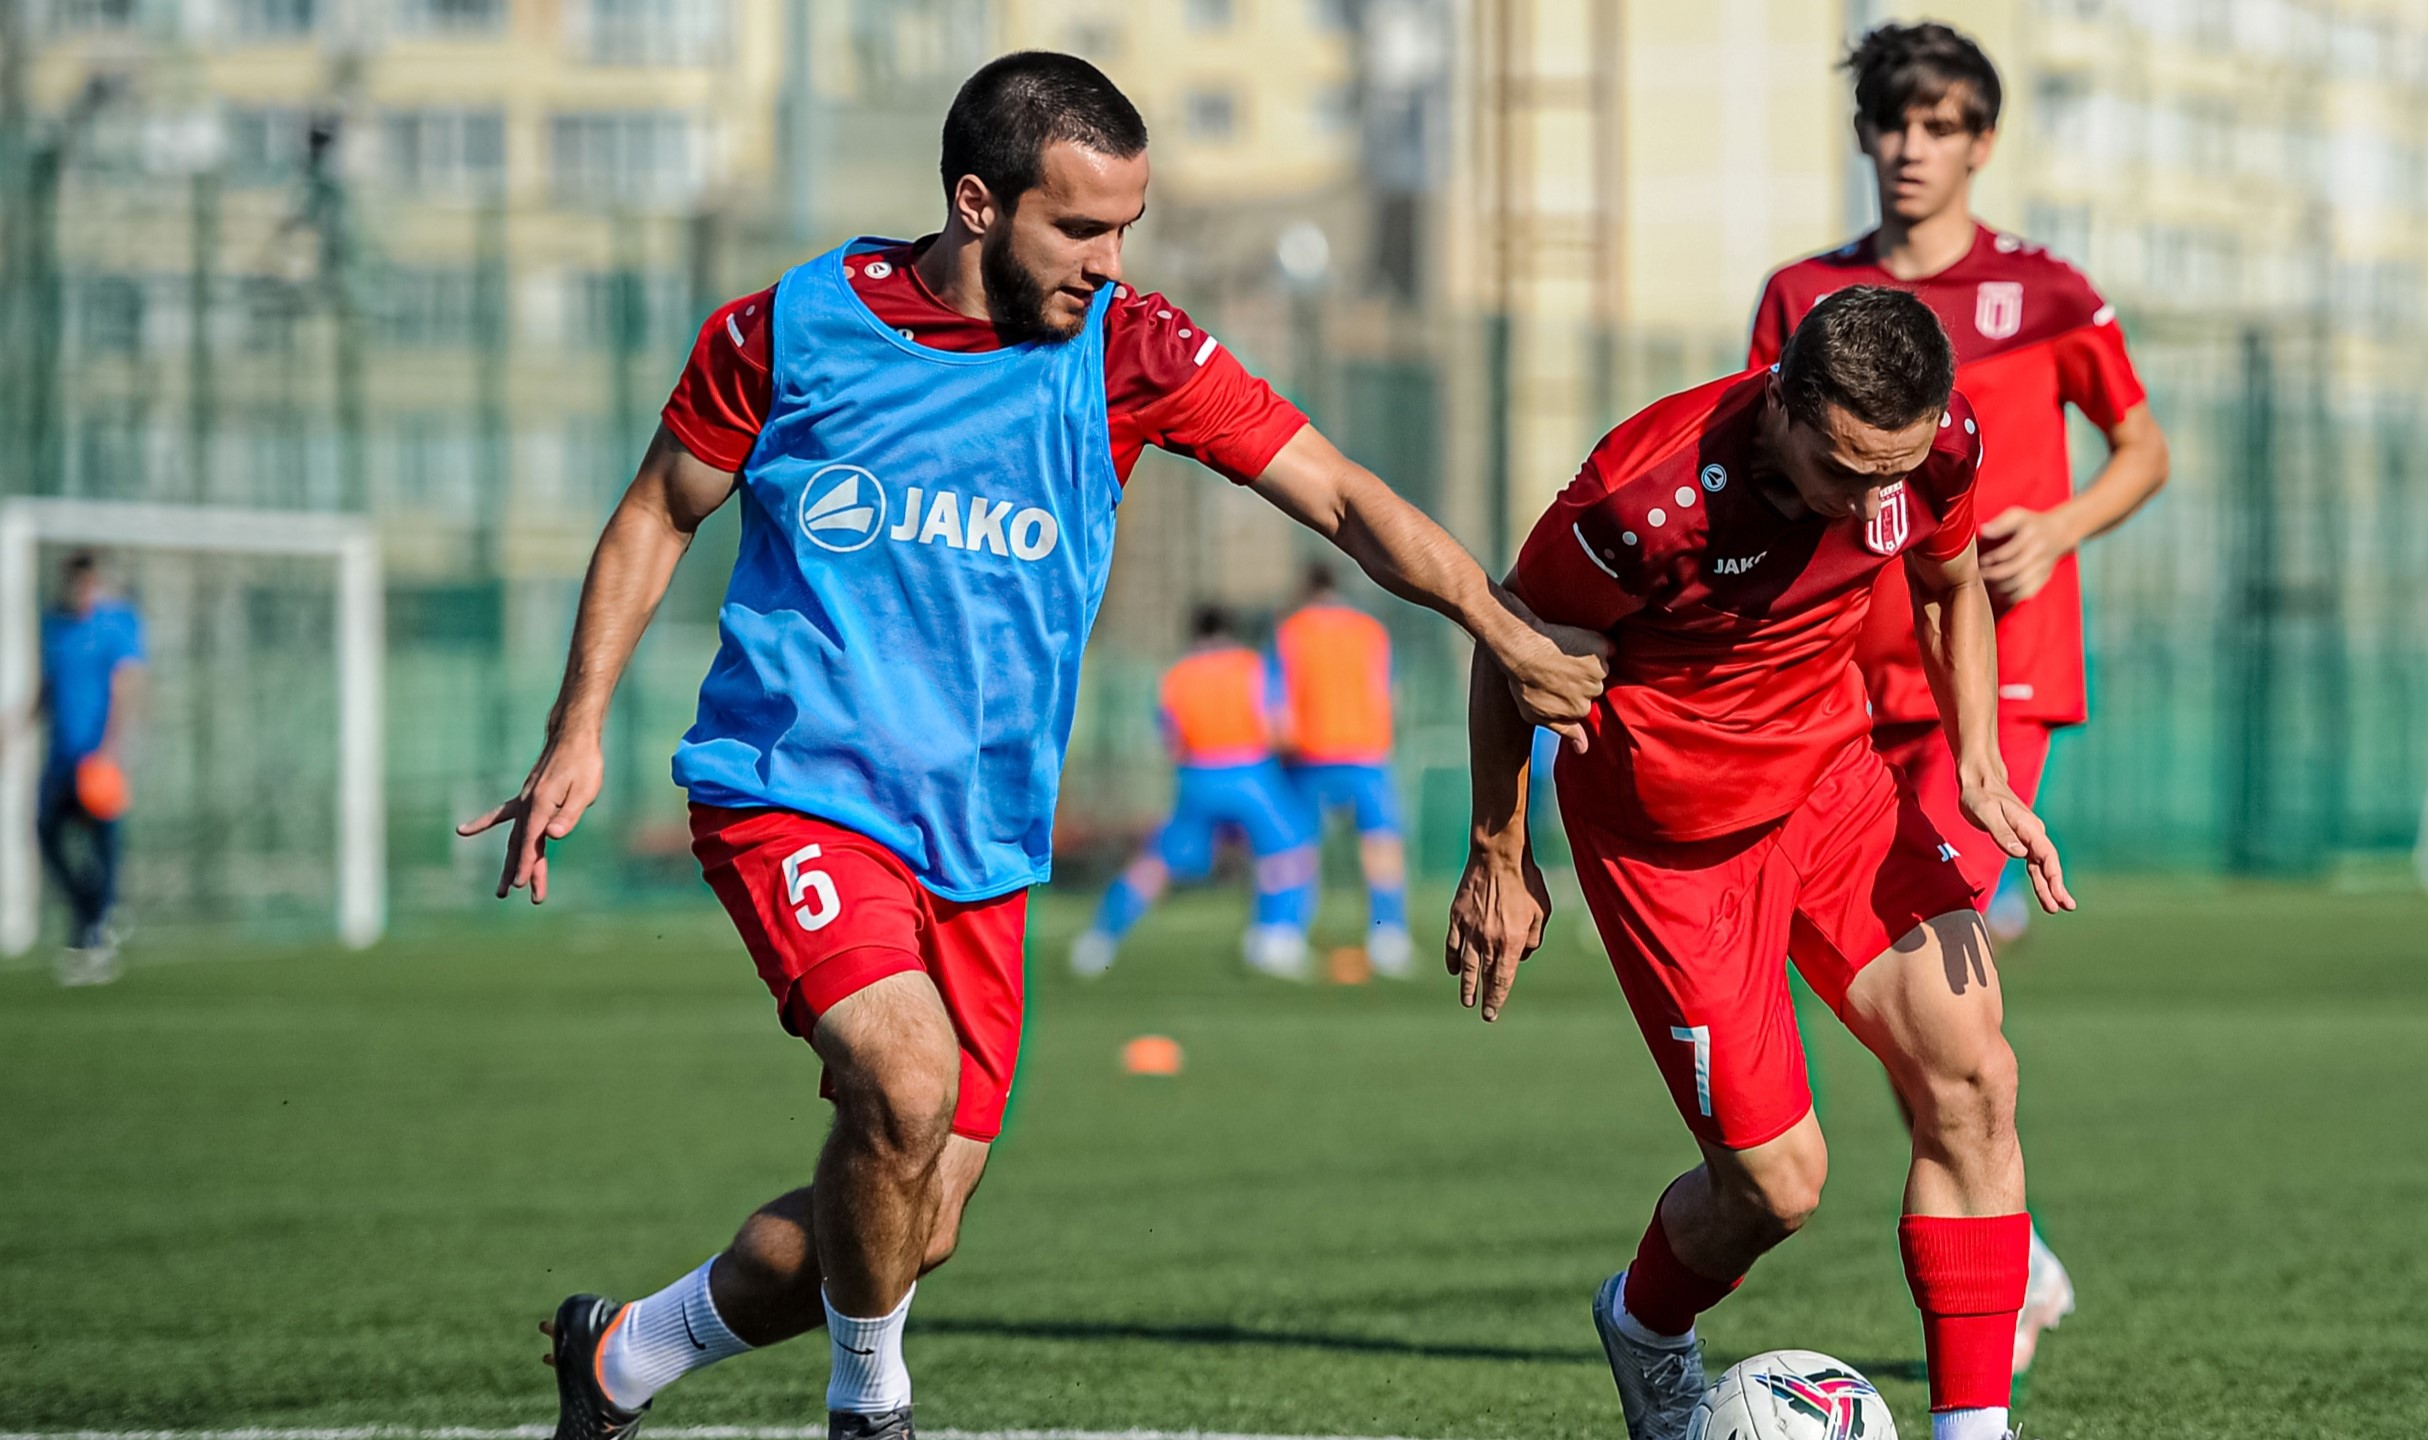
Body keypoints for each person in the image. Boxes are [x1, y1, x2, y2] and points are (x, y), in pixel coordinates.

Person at [462, 52, 1606, 1440]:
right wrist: (576, 728)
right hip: (795, 789)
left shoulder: (1133, 351)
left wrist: (1501, 624)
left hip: (983, 840)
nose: (1109, 260)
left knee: (908, 1212)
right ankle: (871, 1407)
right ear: (975, 203)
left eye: (1127, 228)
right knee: (904, 1083)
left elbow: (1344, 499)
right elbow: (657, 509)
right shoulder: (792, 330)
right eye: (1079, 228)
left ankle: (626, 1354)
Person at [1446, 287, 2072, 1440]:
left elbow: (1949, 584)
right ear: (1780, 403)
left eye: (1899, 470)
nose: (1877, 502)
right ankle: (1642, 1325)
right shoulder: (1646, 501)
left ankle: (1974, 1432)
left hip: (1833, 791)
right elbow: (1511, 644)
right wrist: (1499, 851)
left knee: (1973, 1072)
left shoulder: (1932, 452)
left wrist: (1978, 762)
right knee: (1776, 1189)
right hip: (1671, 847)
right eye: (1848, 473)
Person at [1748, 21, 2168, 1373]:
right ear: (1866, 133)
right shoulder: (1804, 292)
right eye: (1893, 123)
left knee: (1932, 962)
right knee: (1901, 989)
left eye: (1941, 127)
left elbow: (2145, 447)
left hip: (1998, 674)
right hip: (1835, 679)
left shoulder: (2046, 291)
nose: (1912, 149)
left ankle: (1998, 1247)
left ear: (1982, 142)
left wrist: (2059, 525)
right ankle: (2011, 1231)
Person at [1072, 605, 1319, 980]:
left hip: (1199, 777)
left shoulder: (1177, 675)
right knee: (1288, 851)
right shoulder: (1251, 666)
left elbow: (1171, 739)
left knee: (1158, 862)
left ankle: (1100, 938)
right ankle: (1275, 938)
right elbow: (1277, 727)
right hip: (1251, 774)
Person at [1274, 565, 1412, 976]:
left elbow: (1278, 705)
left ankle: (1283, 935)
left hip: (1310, 754)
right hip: (1366, 753)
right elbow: (1391, 694)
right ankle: (1389, 936)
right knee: (1381, 846)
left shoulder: (1292, 631)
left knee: (1297, 846)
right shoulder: (1369, 630)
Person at [32, 551, 146, 987]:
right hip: (61, 759)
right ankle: (94, 909)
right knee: (46, 833)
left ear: (95, 583)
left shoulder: (115, 625)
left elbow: (125, 687)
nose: (80, 590)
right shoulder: (56, 627)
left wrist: (114, 749)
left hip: (97, 760)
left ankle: (94, 933)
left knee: (102, 846)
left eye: (87, 583)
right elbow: (48, 687)